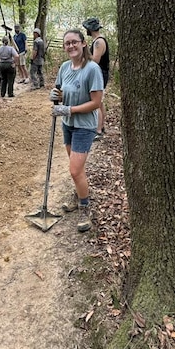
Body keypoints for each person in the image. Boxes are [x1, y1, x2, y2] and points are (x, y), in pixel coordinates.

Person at [49, 29, 104, 232]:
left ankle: (85, 208)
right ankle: (78, 194)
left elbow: (96, 103)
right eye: (67, 43)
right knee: (77, 170)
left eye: (74, 42)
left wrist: (68, 109)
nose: (70, 46)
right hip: (68, 124)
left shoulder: (92, 69)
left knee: (74, 170)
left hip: (84, 126)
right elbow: (62, 93)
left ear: (83, 44)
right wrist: (56, 96)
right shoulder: (64, 67)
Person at [82, 17, 110, 140]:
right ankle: (101, 127)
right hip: (100, 73)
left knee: (96, 102)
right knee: (100, 102)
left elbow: (96, 60)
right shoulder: (97, 41)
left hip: (100, 74)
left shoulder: (99, 42)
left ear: (90, 29)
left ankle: (98, 130)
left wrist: (85, 55)